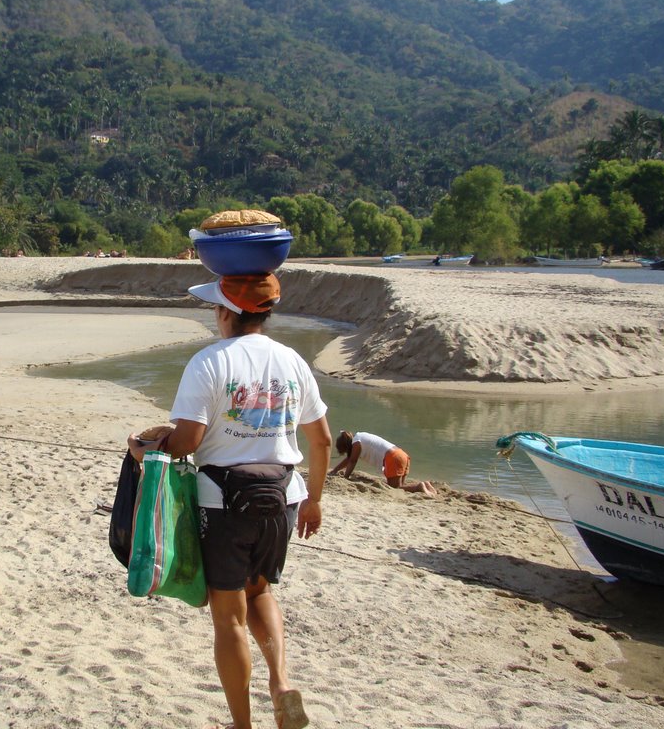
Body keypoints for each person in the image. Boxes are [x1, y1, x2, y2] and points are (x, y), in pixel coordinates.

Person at [128, 273, 331, 729]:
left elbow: (187, 442)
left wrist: (146, 448)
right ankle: (280, 682)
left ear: (225, 312)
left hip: (224, 503)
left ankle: (243, 725)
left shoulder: (208, 362)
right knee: (260, 590)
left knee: (229, 618)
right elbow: (320, 442)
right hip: (284, 498)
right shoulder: (293, 361)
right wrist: (314, 500)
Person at [330, 430, 436, 496]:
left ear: (346, 446)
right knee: (401, 486)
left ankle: (419, 487)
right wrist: (335, 470)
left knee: (394, 488)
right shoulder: (360, 437)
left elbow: (352, 461)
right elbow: (349, 459)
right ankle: (426, 485)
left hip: (393, 458)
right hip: (402, 455)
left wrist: (346, 478)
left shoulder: (357, 443)